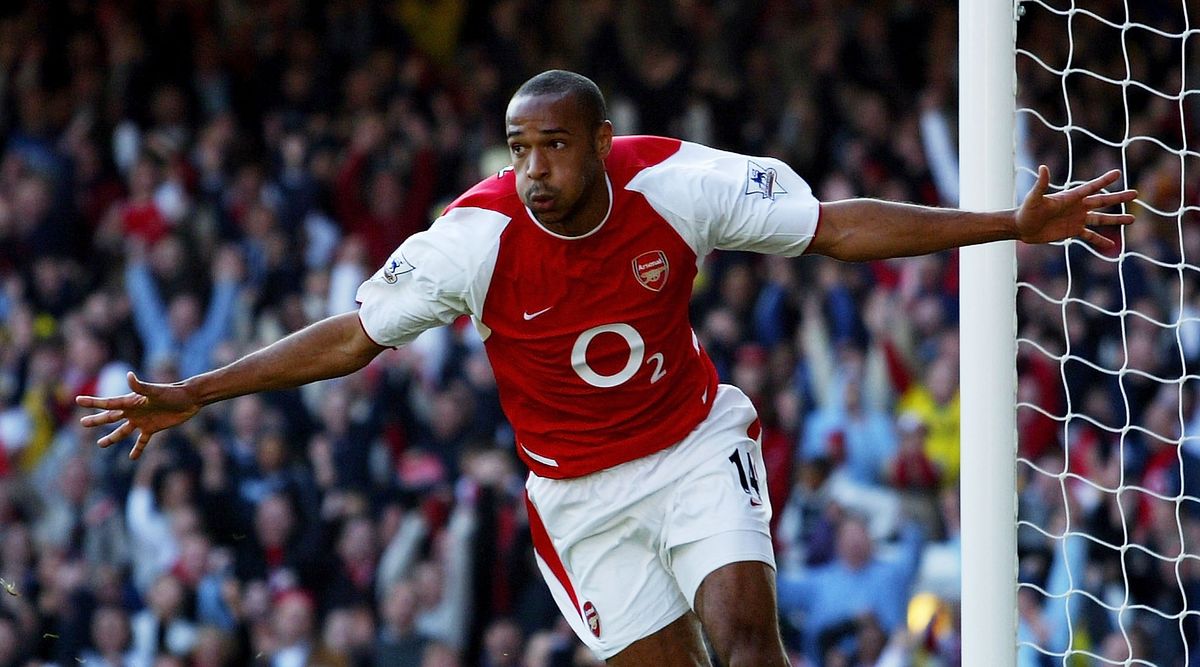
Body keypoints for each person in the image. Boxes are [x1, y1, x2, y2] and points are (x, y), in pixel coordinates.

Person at [77, 70, 1137, 666]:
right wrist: (200, 392)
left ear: (601, 140)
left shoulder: (675, 181)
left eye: (554, 146)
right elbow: (353, 335)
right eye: (517, 147)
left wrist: (1008, 222)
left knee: (746, 640)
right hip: (578, 499)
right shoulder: (473, 239)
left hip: (689, 446)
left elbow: (835, 229)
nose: (533, 169)